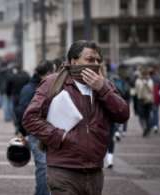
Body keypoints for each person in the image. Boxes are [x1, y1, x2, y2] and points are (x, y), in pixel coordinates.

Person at [22, 40, 130, 195]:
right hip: (64, 169)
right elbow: (30, 118)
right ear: (73, 61)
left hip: (94, 171)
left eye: (98, 60)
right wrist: (60, 136)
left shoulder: (104, 84)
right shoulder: (53, 83)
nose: (95, 64)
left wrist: (103, 90)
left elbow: (123, 114)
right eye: (89, 59)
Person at [15, 60, 54, 195]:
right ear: (48, 73)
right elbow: (21, 111)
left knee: (46, 167)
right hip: (36, 133)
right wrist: (22, 131)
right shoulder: (30, 89)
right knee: (43, 166)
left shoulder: (47, 86)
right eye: (53, 72)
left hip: (48, 132)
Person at [6, 64, 31, 134]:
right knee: (24, 112)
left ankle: (17, 126)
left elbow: (8, 86)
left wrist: (8, 94)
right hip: (24, 96)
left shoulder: (13, 76)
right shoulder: (26, 76)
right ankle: (23, 126)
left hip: (15, 96)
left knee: (16, 112)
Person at [135, 67, 154, 137]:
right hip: (147, 100)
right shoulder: (149, 80)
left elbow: (137, 91)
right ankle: (147, 128)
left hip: (143, 100)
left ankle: (145, 128)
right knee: (147, 116)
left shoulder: (139, 81)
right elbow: (151, 90)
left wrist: (144, 84)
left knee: (142, 116)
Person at [150, 66, 160, 133]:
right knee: (156, 112)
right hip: (156, 98)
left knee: (150, 113)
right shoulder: (158, 78)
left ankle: (151, 125)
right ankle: (156, 126)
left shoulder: (149, 79)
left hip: (149, 98)